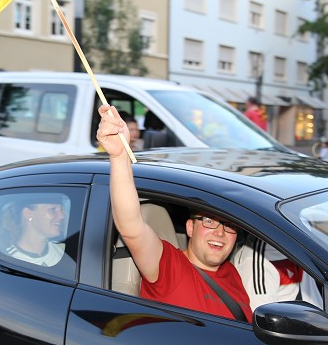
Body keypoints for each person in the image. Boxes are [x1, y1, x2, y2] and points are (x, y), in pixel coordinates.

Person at [96, 105, 252, 321]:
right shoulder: (170, 266)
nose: (220, 233)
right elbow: (131, 227)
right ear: (190, 227)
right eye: (209, 221)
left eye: (229, 226)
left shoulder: (232, 273)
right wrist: (119, 157)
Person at [0, 193, 67, 267]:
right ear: (28, 214)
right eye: (52, 209)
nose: (62, 216)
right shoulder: (7, 261)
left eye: (62, 209)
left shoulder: (63, 250)